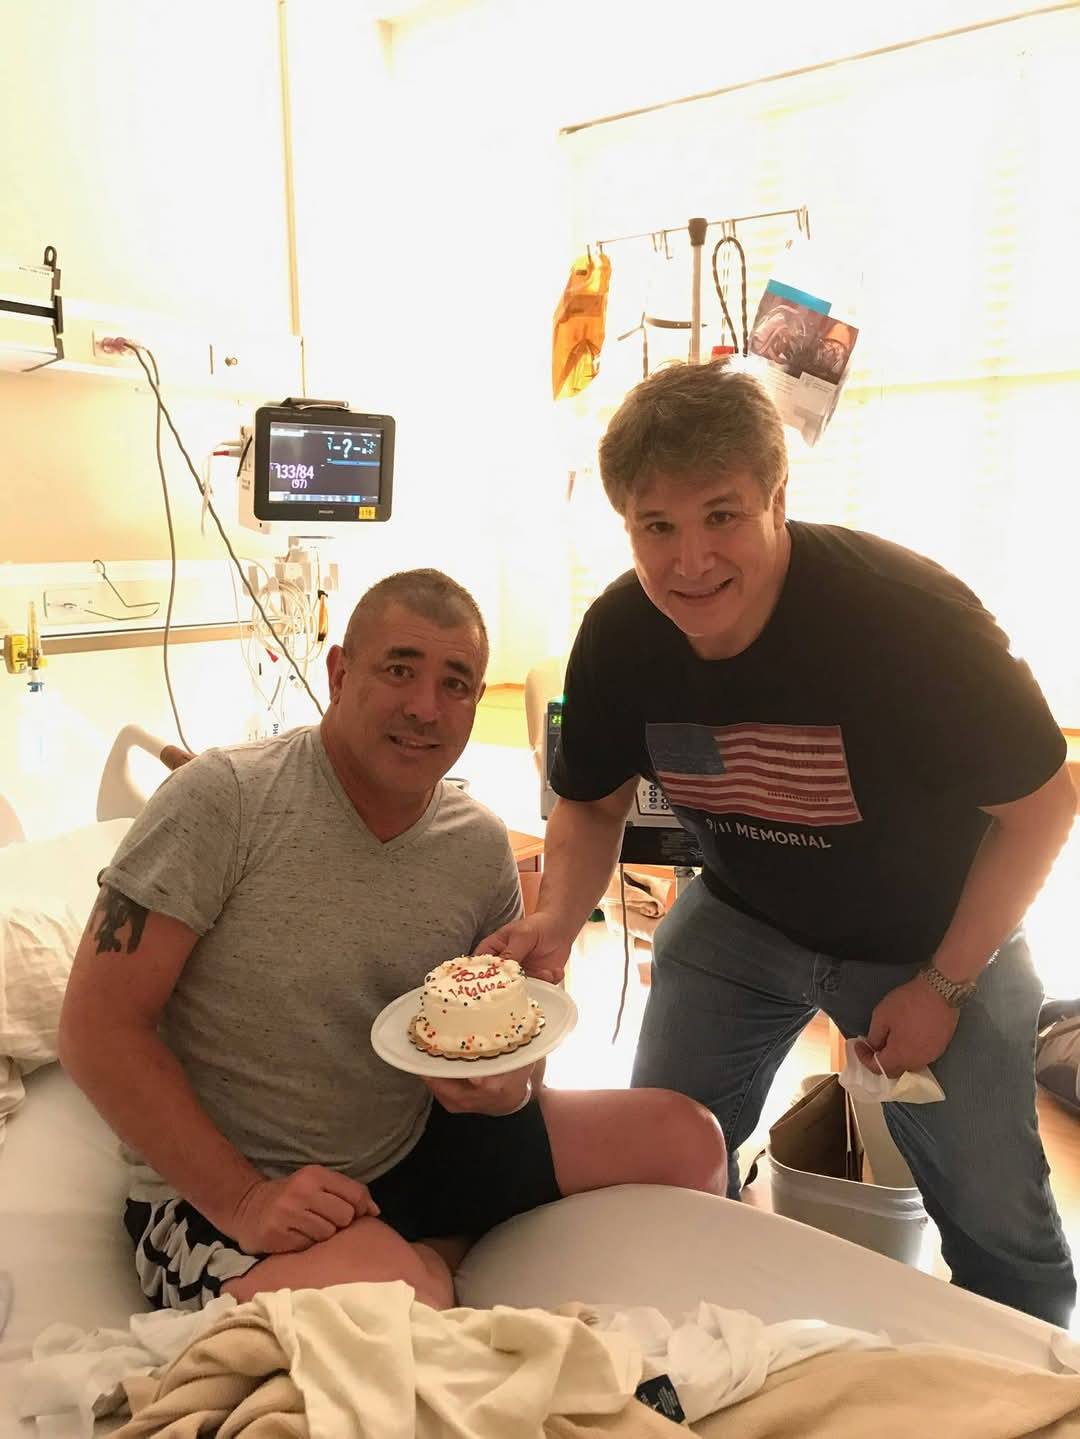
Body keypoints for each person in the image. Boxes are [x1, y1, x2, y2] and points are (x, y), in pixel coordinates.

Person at [481, 364, 1078, 1327]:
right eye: (657, 528)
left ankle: (1042, 1383)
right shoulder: (621, 636)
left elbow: (1044, 807)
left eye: (723, 515)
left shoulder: (908, 620)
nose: (691, 562)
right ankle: (681, 1345)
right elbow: (591, 805)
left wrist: (946, 984)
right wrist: (555, 915)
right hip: (743, 920)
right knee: (656, 1166)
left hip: (933, 932)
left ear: (777, 501)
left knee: (996, 1217)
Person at [59, 568, 726, 1314]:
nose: (424, 707)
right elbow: (96, 1026)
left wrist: (515, 1084)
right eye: (400, 668)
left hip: (413, 1147)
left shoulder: (475, 843)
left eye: (456, 683)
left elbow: (511, 1036)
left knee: (690, 1138)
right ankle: (429, 1264)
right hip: (229, 1192)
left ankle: (434, 1253)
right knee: (402, 1296)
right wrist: (246, 1199)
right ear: (340, 672)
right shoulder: (226, 802)